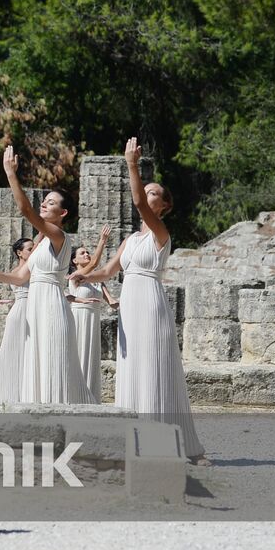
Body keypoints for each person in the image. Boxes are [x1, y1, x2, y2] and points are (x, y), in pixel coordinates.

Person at [74, 138, 208, 464]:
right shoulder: (131, 239)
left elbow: (137, 204)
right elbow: (107, 270)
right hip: (130, 306)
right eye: (145, 190)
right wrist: (83, 277)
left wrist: (132, 166)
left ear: (163, 206)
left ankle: (180, 445)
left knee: (157, 371)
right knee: (134, 369)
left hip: (150, 303)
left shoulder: (161, 233)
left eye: (153, 193)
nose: (147, 195)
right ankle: (135, 443)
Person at [1, 146, 92, 405]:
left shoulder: (59, 235)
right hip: (35, 305)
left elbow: (25, 210)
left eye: (51, 202)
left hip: (51, 305)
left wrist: (11, 174)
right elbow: (21, 278)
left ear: (62, 213)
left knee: (54, 365)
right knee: (37, 364)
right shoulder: (41, 241)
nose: (44, 204)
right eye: (45, 200)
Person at [0, 236, 39, 403]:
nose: (34, 251)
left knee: (29, 351)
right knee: (12, 349)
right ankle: (8, 391)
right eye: (29, 249)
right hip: (18, 310)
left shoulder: (34, 267)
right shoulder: (15, 271)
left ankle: (27, 390)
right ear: (20, 253)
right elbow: (16, 279)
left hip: (32, 309)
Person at [68, 227, 113, 402]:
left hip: (93, 320)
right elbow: (94, 264)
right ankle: (76, 395)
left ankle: (89, 396)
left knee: (91, 356)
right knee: (79, 354)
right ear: (74, 260)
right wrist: (102, 240)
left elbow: (112, 301)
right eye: (82, 253)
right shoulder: (75, 276)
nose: (87, 255)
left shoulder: (96, 280)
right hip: (79, 318)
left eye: (88, 252)